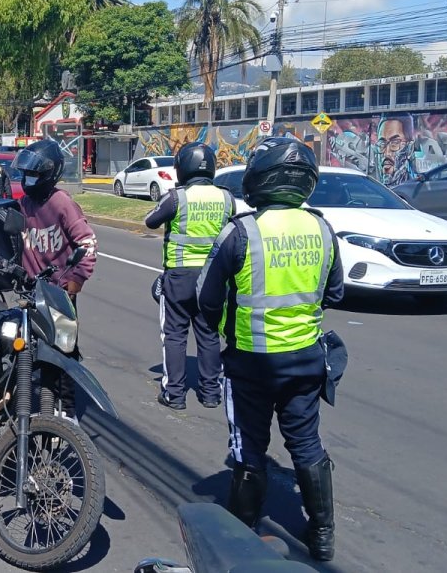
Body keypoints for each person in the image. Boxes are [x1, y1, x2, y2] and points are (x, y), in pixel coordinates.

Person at [196, 137, 344, 562]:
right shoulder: (322, 228)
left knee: (248, 448)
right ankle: (322, 536)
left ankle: (242, 534)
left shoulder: (241, 230)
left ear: (260, 179)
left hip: (251, 366)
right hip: (305, 360)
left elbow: (207, 300)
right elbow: (334, 292)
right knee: (307, 444)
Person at [144, 142, 234, 410]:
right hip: (213, 278)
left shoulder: (177, 197)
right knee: (208, 334)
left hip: (180, 276)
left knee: (174, 334)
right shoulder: (226, 197)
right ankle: (210, 393)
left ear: (183, 168)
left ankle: (175, 394)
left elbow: (150, 221)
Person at [13, 140, 97, 420]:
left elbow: (87, 243)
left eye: (34, 175)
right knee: (23, 349)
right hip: (31, 293)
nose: (28, 181)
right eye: (25, 174)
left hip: (59, 294)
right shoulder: (23, 204)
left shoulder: (62, 204)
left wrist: (76, 279)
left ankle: (67, 412)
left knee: (64, 354)